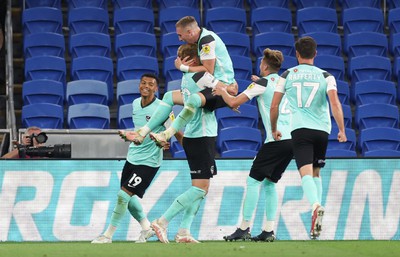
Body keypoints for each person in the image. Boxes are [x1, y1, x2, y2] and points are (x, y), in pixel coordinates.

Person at [124, 43, 219, 244]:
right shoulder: (199, 77)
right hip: (201, 136)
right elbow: (223, 90)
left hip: (197, 136)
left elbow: (170, 97)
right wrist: (232, 94)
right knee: (200, 189)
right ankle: (162, 221)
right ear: (194, 60)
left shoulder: (186, 80)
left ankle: (184, 231)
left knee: (202, 188)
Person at [212, 48, 293, 242]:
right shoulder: (285, 83)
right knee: (270, 183)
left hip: (276, 139)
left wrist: (222, 90)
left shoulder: (262, 83)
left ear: (264, 66)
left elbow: (233, 102)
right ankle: (268, 230)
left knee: (253, 181)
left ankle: (243, 228)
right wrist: (259, 85)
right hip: (293, 141)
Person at [270, 36, 347, 239]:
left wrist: (273, 128)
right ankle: (316, 222)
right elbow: (335, 103)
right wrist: (342, 129)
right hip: (322, 130)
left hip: (300, 130)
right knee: (316, 173)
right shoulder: (326, 76)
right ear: (315, 53)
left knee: (305, 174)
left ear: (297, 54)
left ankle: (315, 206)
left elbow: (275, 105)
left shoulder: (286, 75)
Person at [91, 74, 183, 244]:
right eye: (143, 83)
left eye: (150, 84)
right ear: (139, 85)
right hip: (132, 157)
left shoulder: (163, 108)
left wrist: (164, 141)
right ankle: (147, 228)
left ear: (156, 88)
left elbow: (172, 131)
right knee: (129, 198)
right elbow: (139, 130)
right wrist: (129, 136)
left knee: (122, 195)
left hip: (149, 162)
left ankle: (108, 236)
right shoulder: (134, 104)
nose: (145, 86)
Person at [128, 15, 238, 146]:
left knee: (193, 99)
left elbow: (208, 70)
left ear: (190, 32)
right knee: (169, 96)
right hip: (210, 85)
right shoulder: (202, 39)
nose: (180, 39)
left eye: (180, 35)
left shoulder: (206, 41)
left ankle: (166, 134)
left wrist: (183, 67)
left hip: (221, 86)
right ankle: (143, 131)